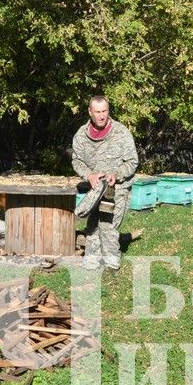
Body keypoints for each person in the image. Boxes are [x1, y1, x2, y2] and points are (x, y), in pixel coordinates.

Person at [71, 96, 138, 270]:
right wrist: (89, 175)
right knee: (93, 223)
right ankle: (92, 259)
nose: (101, 116)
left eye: (104, 111)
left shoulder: (121, 132)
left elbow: (132, 161)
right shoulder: (81, 135)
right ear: (90, 112)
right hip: (95, 189)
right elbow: (77, 161)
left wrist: (116, 174)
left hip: (116, 188)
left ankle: (111, 261)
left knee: (108, 224)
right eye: (97, 112)